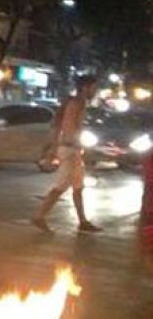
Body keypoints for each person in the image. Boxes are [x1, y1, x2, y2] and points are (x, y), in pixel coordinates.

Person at [33, 75, 103, 233]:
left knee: (78, 186)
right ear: (85, 88)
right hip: (70, 150)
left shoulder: (78, 103)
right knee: (61, 186)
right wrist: (65, 147)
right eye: (93, 88)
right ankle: (39, 216)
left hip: (72, 149)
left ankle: (83, 221)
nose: (94, 91)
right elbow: (69, 127)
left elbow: (62, 126)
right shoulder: (76, 104)